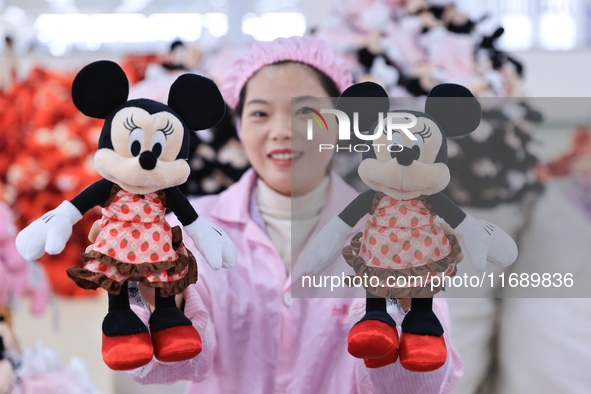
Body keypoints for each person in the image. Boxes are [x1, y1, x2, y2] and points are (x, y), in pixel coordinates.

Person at [125, 36, 463, 393]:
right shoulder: (191, 231)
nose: (282, 132)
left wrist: (407, 315)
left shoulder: (393, 231)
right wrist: (160, 303)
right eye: (259, 113)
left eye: (306, 112)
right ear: (240, 127)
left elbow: (424, 385)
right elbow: (169, 368)